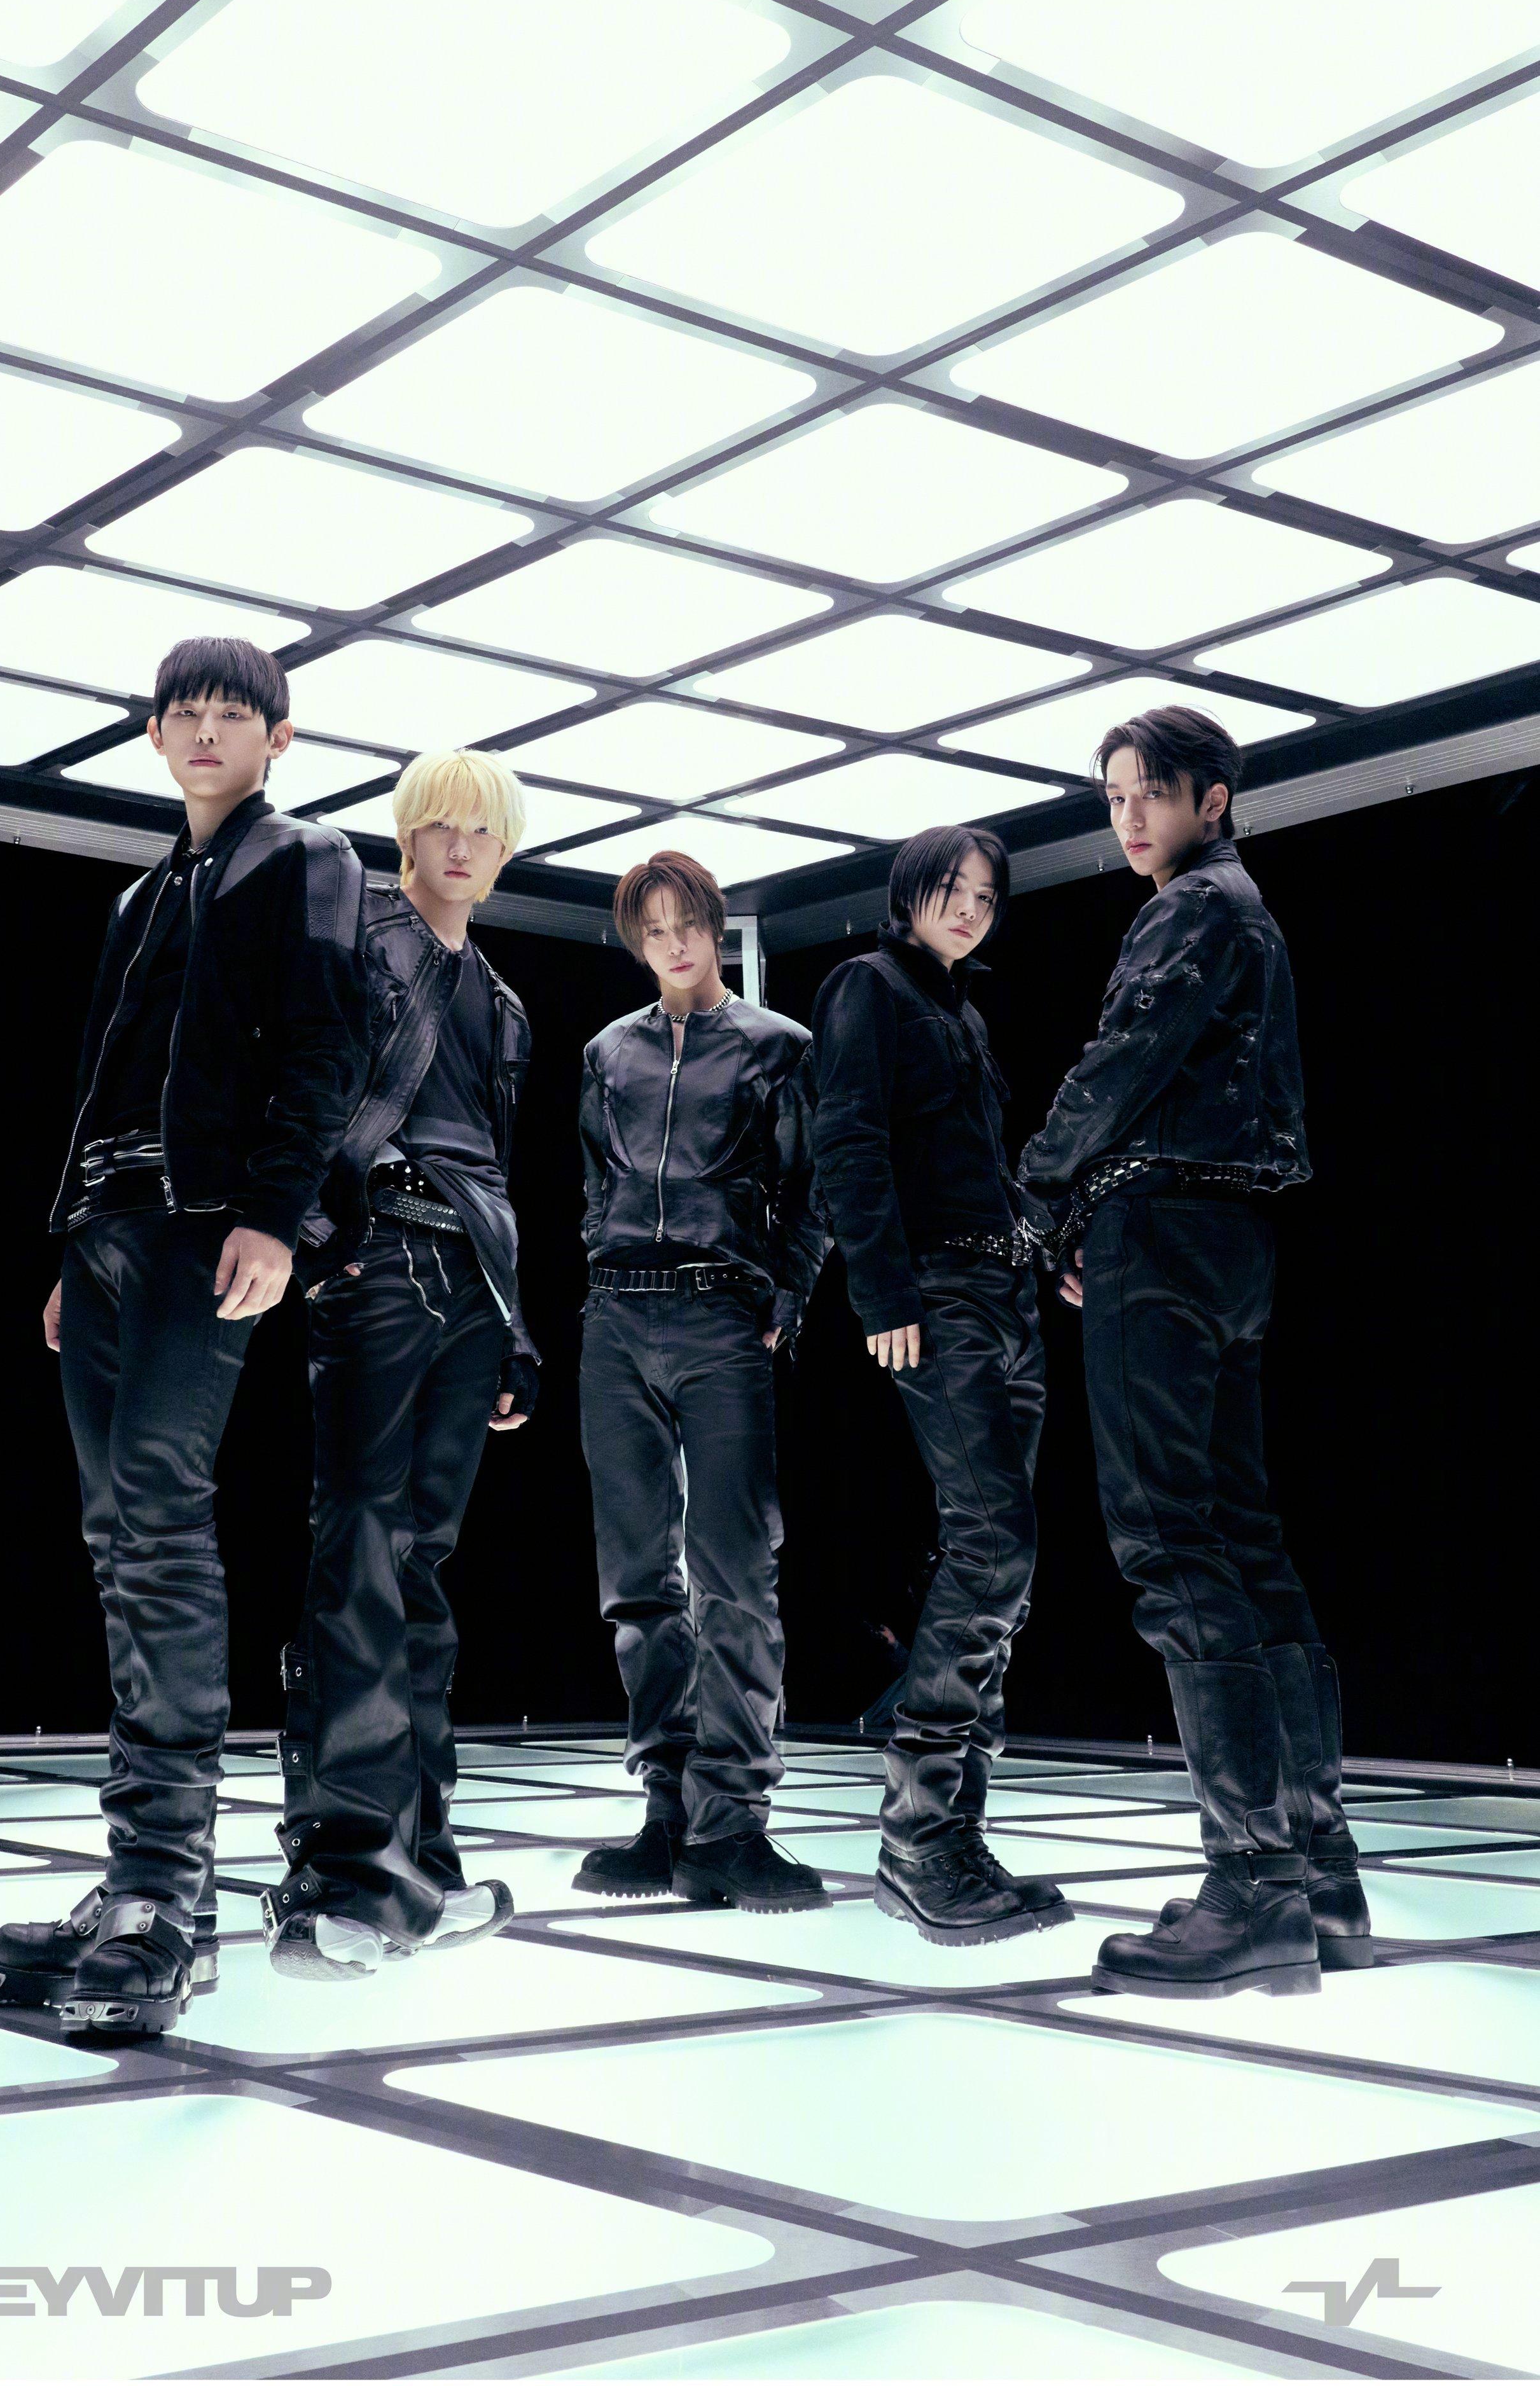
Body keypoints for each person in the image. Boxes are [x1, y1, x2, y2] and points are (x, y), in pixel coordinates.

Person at [0, 638, 369, 2039]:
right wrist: (70, 1244)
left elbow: (327, 1044)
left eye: (231, 714)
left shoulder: (307, 858)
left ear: (278, 737)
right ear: (154, 735)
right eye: (184, 713)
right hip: (109, 1227)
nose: (206, 732)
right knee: (113, 1530)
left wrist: (272, 1213)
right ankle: (140, 1870)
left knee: (157, 1504)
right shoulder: (144, 895)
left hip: (206, 1221)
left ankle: (167, 1885)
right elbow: (104, 1074)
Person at [1019, 705, 1364, 2001]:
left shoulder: (1193, 908)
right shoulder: (1247, 909)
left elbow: (1123, 1060)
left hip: (1160, 1237)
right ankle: (1316, 1870)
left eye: (1147, 793)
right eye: (1112, 796)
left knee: (1174, 1548)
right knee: (1244, 1544)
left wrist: (1035, 1197)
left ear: (1210, 797)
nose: (1126, 817)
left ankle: (1252, 1884)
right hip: (1231, 1240)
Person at [260, 751, 538, 1981]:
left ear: (506, 848)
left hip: (470, 1283)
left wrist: (516, 1329)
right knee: (362, 1556)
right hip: (376, 1260)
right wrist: (318, 1240)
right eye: (443, 825)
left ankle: (419, 1858)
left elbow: (500, 1178)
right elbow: (296, 1082)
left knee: (419, 1564)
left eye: (484, 831)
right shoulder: (358, 935)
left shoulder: (506, 1002)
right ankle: (337, 1868)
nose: (461, 848)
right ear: (409, 832)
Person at [810, 826, 1069, 1948]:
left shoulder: (962, 1012)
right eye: (951, 891)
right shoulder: (866, 987)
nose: (970, 910)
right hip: (938, 1294)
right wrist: (881, 1293)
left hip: (1004, 1293)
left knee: (1005, 1559)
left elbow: (980, 1162)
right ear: (907, 893)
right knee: (993, 1544)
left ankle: (955, 1830)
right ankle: (917, 1837)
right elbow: (848, 1141)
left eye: (986, 897)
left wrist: (1044, 1242)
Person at [574, 852, 829, 1911]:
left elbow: (814, 1188)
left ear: (716, 926)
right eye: (654, 929)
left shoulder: (780, 1046)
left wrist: (788, 1291)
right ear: (636, 940)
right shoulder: (607, 1052)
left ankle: (734, 1822)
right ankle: (667, 1810)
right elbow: (596, 1183)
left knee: (735, 1570)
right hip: (614, 1316)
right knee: (639, 1578)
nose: (674, 944)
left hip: (722, 1314)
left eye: (688, 923)